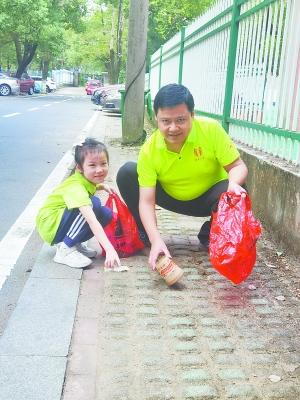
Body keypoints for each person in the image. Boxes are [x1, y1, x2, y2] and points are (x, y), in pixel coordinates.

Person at [116, 83, 248, 270]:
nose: (173, 128)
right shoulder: (149, 150)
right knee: (127, 172)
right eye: (165, 121)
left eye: (180, 120)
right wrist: (157, 240)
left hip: (209, 198)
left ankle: (210, 234)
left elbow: (238, 166)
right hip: (171, 196)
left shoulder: (211, 130)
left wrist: (233, 184)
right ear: (156, 119)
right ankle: (145, 235)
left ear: (192, 116)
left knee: (241, 190)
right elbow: (146, 202)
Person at [36, 138, 121, 269]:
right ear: (80, 167)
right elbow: (91, 220)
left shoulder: (85, 180)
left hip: (59, 221)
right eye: (92, 165)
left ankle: (75, 243)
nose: (99, 170)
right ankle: (65, 249)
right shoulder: (76, 187)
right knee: (93, 204)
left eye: (103, 163)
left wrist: (101, 186)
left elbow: (88, 186)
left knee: (106, 213)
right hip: (51, 224)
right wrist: (109, 249)